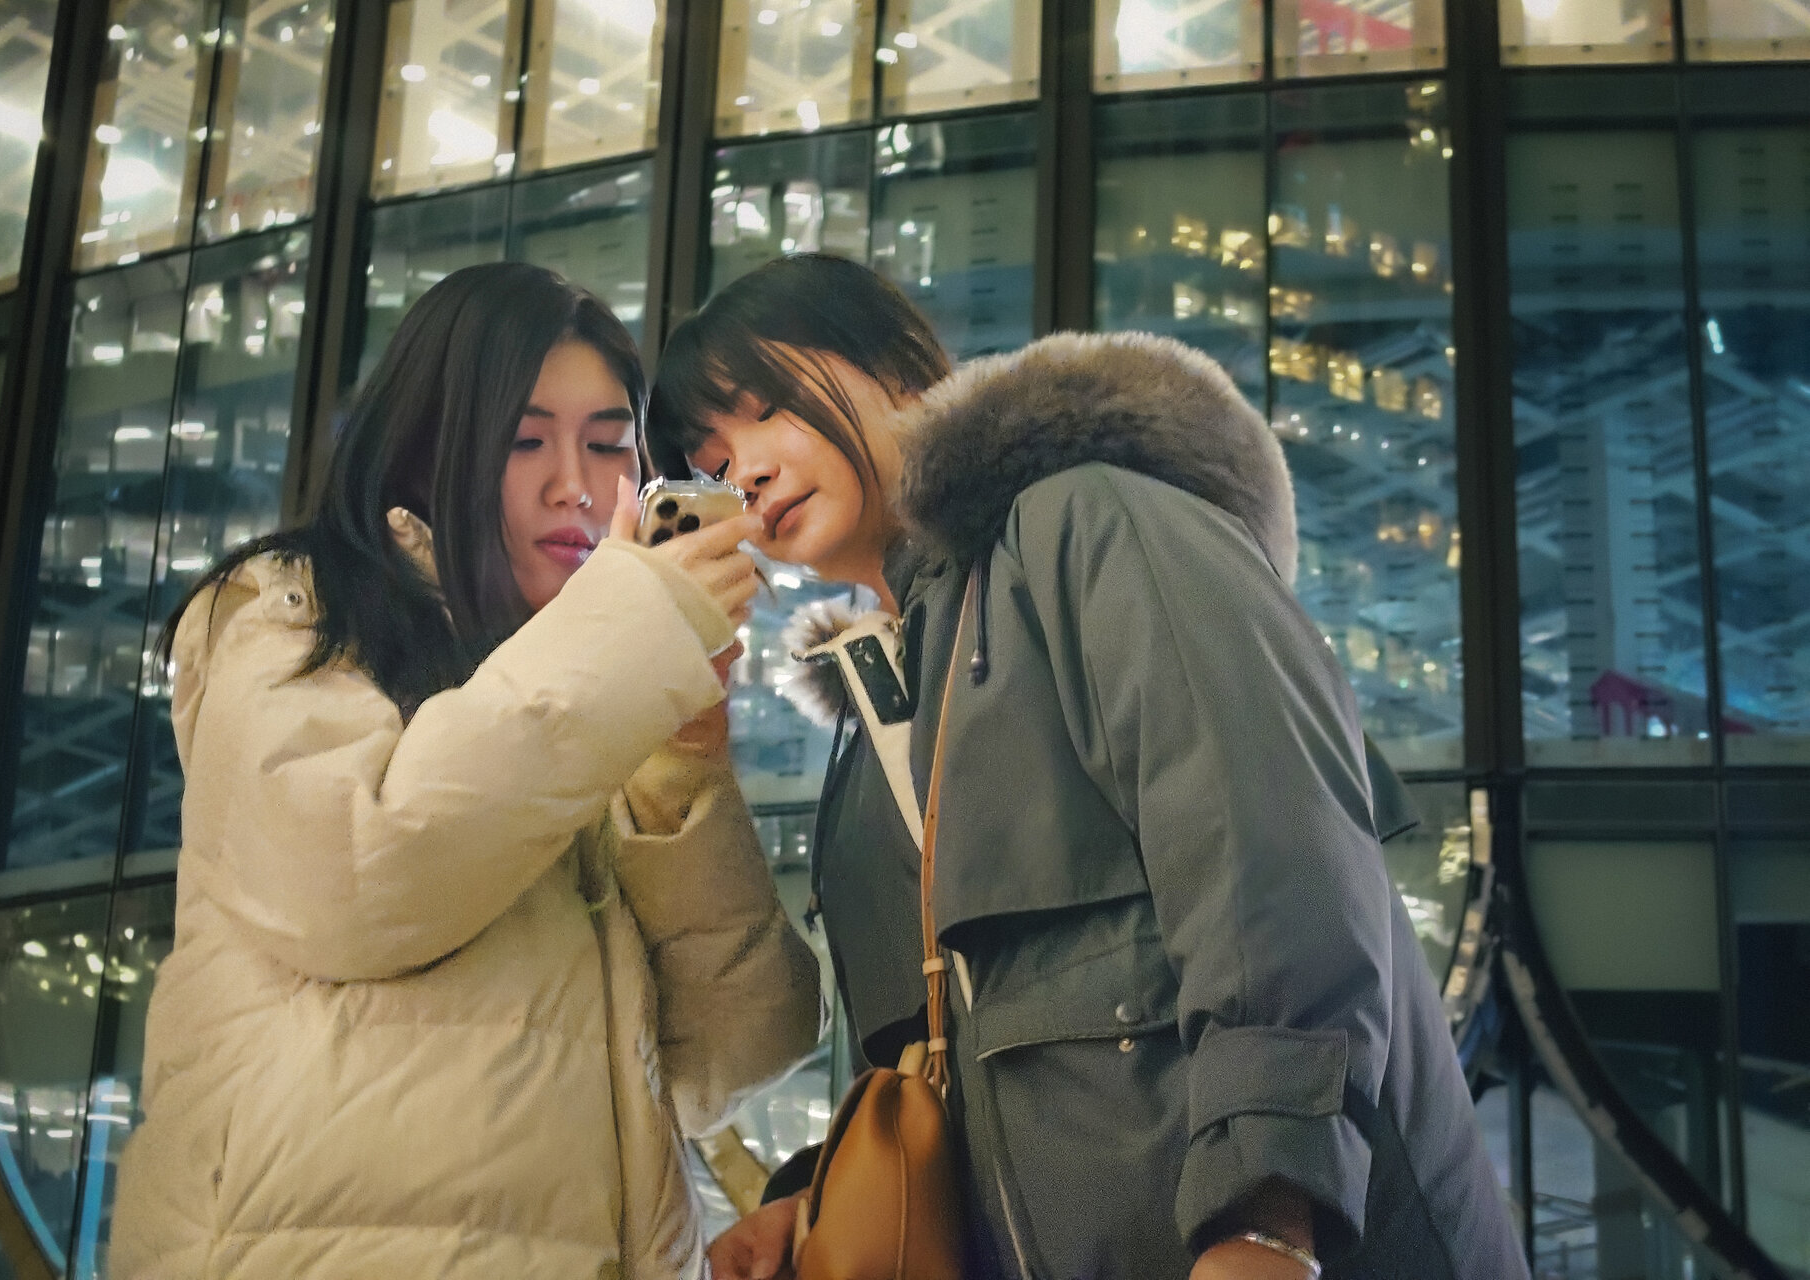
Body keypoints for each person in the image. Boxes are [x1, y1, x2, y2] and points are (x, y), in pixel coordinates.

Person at [648, 254, 1528, 1280]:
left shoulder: (1085, 520)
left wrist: (1266, 1220)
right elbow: (959, 1065)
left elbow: (1271, 865)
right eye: (713, 458)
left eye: (766, 410)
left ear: (891, 359)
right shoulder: (869, 732)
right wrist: (813, 1200)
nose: (746, 471)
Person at [109, 263, 821, 1280]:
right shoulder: (284, 610)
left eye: (608, 443)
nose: (575, 483)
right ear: (423, 443)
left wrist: (683, 762)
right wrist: (627, 640)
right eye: (524, 441)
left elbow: (733, 1056)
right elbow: (355, 876)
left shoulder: (597, 687)